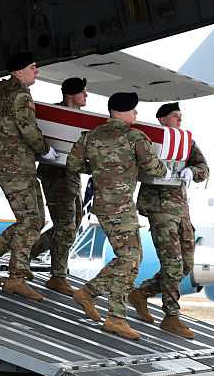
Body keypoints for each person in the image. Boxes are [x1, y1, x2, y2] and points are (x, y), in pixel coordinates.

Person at [68, 92, 167, 341]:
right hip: (121, 207)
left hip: (101, 205)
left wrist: (100, 169)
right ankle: (110, 313)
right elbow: (156, 168)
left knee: (130, 258)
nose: (136, 115)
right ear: (124, 111)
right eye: (134, 110)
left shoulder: (91, 135)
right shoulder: (135, 137)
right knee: (131, 258)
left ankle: (96, 298)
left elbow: (73, 164)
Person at [0, 52, 57, 299]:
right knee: (31, 220)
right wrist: (46, 150)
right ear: (19, 71)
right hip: (16, 166)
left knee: (36, 219)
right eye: (33, 67)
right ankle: (15, 278)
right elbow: (28, 129)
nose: (36, 71)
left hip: (8, 163)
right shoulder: (20, 95)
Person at [129, 102, 209, 339]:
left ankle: (141, 293)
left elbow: (204, 167)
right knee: (173, 264)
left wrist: (192, 172)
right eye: (175, 116)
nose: (179, 120)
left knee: (185, 266)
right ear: (162, 119)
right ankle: (171, 316)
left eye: (180, 116)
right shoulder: (150, 140)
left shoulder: (186, 142)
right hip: (160, 209)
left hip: (181, 210)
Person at [33, 76, 88, 296]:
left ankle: (27, 252)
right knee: (65, 225)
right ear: (70, 94)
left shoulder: (84, 119)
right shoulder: (53, 115)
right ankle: (58, 276)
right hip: (55, 175)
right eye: (82, 91)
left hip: (72, 176)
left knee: (73, 223)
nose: (86, 95)